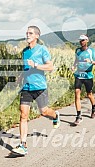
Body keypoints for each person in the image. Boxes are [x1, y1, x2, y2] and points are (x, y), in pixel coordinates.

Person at [11, 25, 60, 155]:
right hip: (26, 87)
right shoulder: (25, 51)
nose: (27, 35)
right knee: (23, 115)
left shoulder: (42, 49)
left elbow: (50, 67)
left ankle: (55, 116)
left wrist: (36, 65)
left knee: (44, 112)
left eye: (31, 33)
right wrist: (20, 77)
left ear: (37, 36)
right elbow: (26, 68)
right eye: (27, 33)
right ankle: (23, 145)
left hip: (40, 87)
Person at [71, 34, 95, 125]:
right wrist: (74, 66)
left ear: (87, 40)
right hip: (79, 75)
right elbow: (76, 60)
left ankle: (94, 107)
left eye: (83, 40)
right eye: (80, 40)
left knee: (89, 94)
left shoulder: (92, 51)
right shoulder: (77, 50)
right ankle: (79, 116)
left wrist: (91, 61)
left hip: (88, 76)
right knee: (77, 93)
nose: (81, 42)